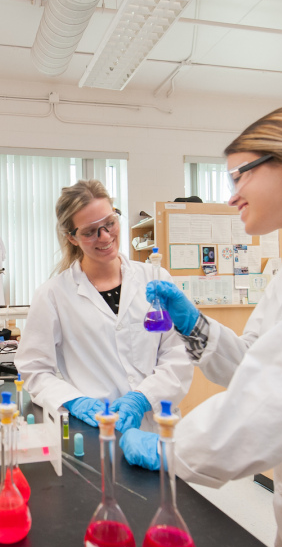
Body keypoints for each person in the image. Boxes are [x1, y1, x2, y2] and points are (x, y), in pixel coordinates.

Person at [119, 103, 282, 547]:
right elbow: (256, 366)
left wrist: (172, 448)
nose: (232, 195)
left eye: (239, 175)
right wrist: (196, 325)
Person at [15, 180, 193, 432]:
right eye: (90, 231)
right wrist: (74, 401)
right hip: (98, 428)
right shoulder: (53, 295)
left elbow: (178, 354)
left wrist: (143, 398)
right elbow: (34, 369)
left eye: (110, 223)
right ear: (72, 237)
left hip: (159, 424)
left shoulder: (156, 278)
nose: (106, 237)